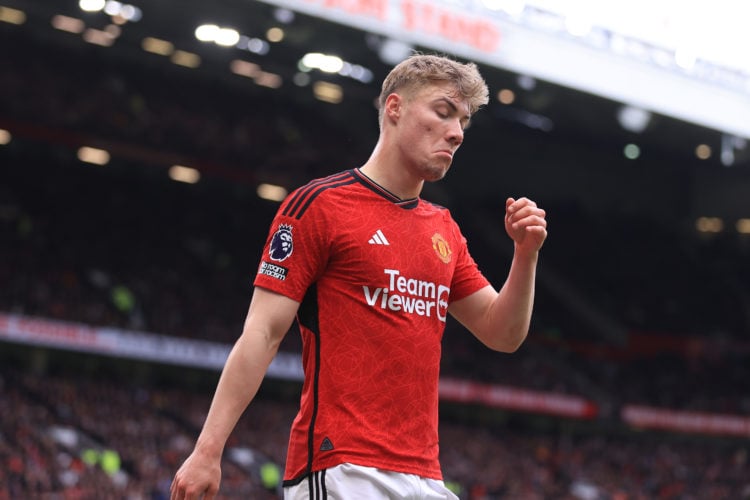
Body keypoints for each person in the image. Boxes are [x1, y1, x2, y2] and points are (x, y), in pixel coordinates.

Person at [170, 53, 547, 500]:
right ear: (395, 108)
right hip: (340, 469)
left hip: (425, 475)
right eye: (443, 112)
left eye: (463, 121)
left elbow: (502, 334)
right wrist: (207, 450)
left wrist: (525, 255)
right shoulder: (318, 206)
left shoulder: (444, 229)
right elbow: (263, 332)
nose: (456, 132)